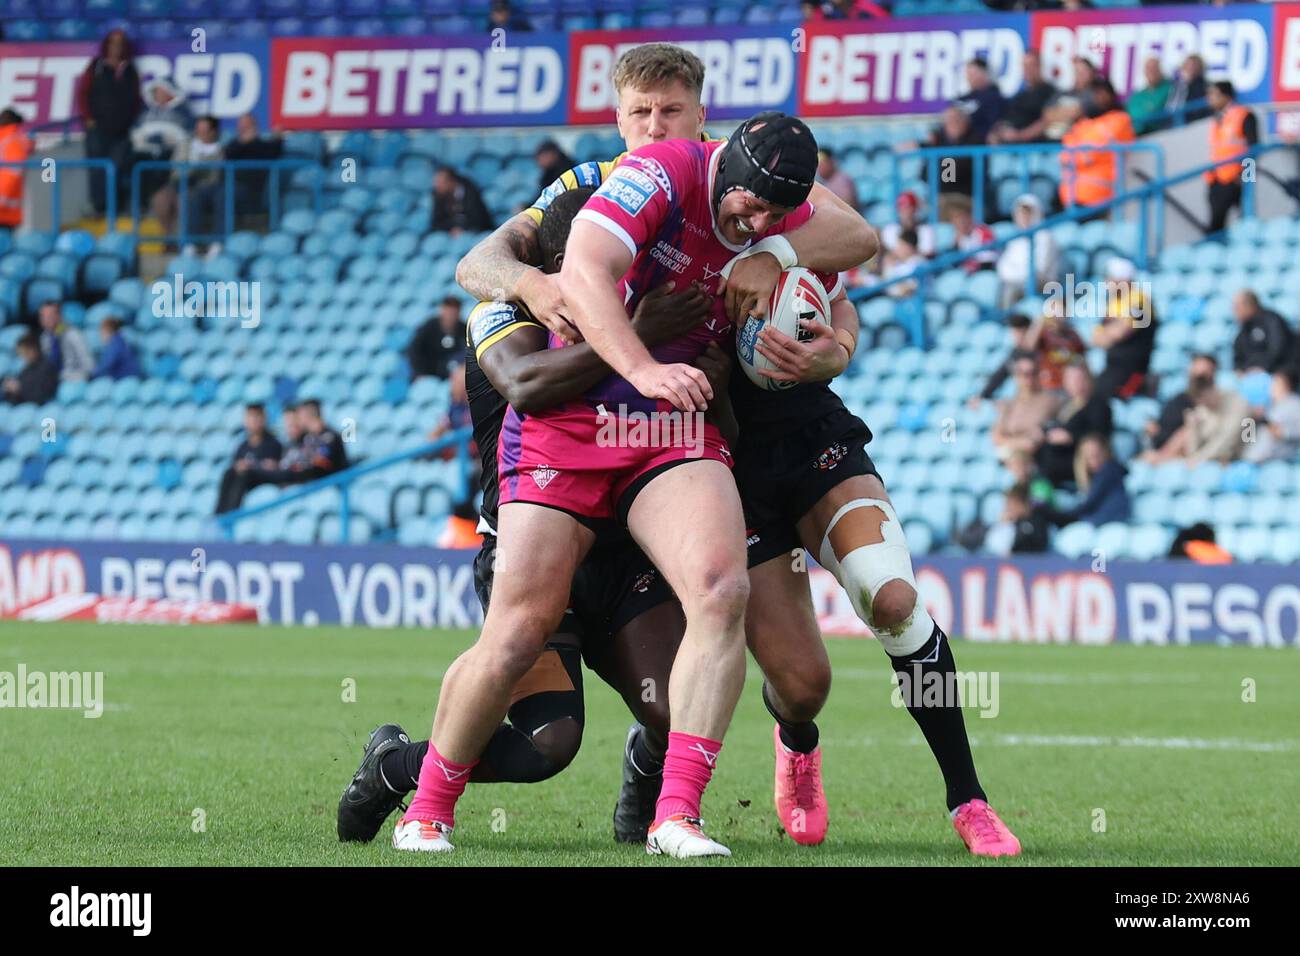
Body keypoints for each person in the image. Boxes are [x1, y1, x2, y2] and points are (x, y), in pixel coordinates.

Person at [455, 45, 1018, 858]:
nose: (655, 125)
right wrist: (535, 287)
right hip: (695, 456)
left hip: (789, 433)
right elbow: (481, 260)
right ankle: (774, 748)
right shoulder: (588, 192)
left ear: (700, 116)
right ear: (617, 117)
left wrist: (824, 336)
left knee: (890, 600)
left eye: (671, 111)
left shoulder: (752, 180)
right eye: (640, 112)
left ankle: (967, 800)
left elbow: (845, 269)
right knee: (799, 683)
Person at [339, 185, 716, 846]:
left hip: (622, 555)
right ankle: (395, 768)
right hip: (531, 541)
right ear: (555, 265)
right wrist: (634, 337)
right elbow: (528, 383)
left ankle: (644, 777)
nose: (611, 280)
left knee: (674, 708)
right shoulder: (500, 312)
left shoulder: (644, 310)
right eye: (594, 267)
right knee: (550, 745)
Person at [76, 29, 142, 216]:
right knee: (97, 168)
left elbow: (136, 98)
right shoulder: (96, 66)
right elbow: (82, 93)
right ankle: (98, 206)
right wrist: (88, 118)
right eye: (113, 43)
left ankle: (116, 206)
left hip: (122, 130)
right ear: (107, 45)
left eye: (120, 43)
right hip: (98, 128)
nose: (116, 47)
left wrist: (132, 120)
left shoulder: (130, 69)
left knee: (118, 167)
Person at [1059, 78, 1135, 213]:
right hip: (1070, 198)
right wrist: (1077, 157)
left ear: (1110, 94)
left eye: (1101, 93)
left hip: (1101, 197)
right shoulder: (1083, 124)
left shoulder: (1120, 119)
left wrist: (1077, 158)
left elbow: (1090, 153)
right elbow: (1065, 155)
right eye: (1094, 93)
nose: (1097, 97)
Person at [1036, 363, 1112, 485]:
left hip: (1079, 459)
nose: (1076, 383)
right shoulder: (1067, 405)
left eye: (1079, 378)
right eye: (1071, 379)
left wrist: (1070, 436)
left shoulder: (1098, 405)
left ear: (1088, 379)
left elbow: (1099, 434)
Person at [1092, 257, 1157, 401]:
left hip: (1133, 371)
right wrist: (1113, 330)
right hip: (1113, 368)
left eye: (1110, 277)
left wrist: (1109, 332)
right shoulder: (1114, 304)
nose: (1106, 281)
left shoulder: (1140, 300)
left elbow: (1121, 333)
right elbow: (1096, 339)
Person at [1204, 81, 1258, 235]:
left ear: (1226, 96)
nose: (1209, 98)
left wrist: (1247, 177)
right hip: (1216, 179)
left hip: (1237, 179)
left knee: (1245, 219)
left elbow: (1254, 148)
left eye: (1213, 94)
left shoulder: (1244, 115)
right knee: (1216, 223)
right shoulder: (1217, 119)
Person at [993, 351, 1062, 462]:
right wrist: (1021, 442)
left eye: (1032, 372)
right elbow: (997, 438)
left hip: (1040, 462)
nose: (1027, 378)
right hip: (1013, 464)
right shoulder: (1009, 404)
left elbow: (1037, 438)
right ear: (1016, 376)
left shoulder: (1050, 400)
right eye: (1022, 373)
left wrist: (1013, 441)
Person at [214, 403, 284, 514]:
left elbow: (272, 467)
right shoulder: (242, 446)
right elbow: (236, 465)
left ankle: (232, 513)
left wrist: (252, 465)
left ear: (264, 419)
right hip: (245, 479)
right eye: (251, 417)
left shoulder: (273, 444)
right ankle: (219, 514)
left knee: (245, 474)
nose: (254, 421)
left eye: (257, 416)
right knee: (229, 473)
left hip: (261, 479)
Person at [1047, 434, 1130, 525]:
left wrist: (1059, 516)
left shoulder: (1109, 470)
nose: (1094, 460)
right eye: (1089, 457)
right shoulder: (1097, 476)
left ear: (1106, 451)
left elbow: (1089, 504)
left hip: (1111, 523)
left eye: (1097, 454)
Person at [172, 115, 225, 254]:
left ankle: (212, 243)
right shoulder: (186, 146)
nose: (199, 135)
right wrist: (193, 169)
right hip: (183, 184)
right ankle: (185, 244)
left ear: (213, 132)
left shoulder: (221, 149)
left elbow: (215, 177)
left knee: (219, 196)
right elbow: (177, 172)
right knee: (168, 199)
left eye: (204, 131)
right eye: (198, 131)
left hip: (210, 188)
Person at [1144, 353, 1218, 453]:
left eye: (1201, 375)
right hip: (1161, 444)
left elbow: (1188, 434)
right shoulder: (1179, 398)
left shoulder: (1211, 403)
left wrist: (1163, 455)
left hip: (1180, 452)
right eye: (1194, 372)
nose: (1197, 378)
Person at [996, 193, 1060, 308]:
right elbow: (1003, 267)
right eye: (1020, 214)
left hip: (1043, 285)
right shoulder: (1015, 240)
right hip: (1017, 282)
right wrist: (1018, 277)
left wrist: (1017, 276)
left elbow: (1040, 269)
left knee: (1011, 290)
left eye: (1027, 214)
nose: (1023, 218)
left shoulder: (1045, 237)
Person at [224, 113, 283, 224]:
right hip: (228, 184)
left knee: (223, 195)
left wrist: (278, 138)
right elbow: (228, 155)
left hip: (249, 189)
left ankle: (219, 238)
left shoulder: (263, 146)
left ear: (254, 126)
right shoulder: (234, 145)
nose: (243, 128)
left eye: (247, 125)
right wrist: (243, 142)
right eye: (241, 125)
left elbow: (275, 152)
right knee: (199, 194)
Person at [987, 50, 1054, 145]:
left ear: (1039, 66)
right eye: (1025, 66)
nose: (1028, 70)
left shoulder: (1049, 92)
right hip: (1009, 148)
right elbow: (1006, 119)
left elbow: (1048, 120)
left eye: (1031, 65)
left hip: (1034, 149)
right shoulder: (1020, 96)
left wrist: (1020, 135)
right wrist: (995, 133)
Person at [1243, 367, 1300, 463]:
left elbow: (1284, 432)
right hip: (1254, 459)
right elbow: (1247, 436)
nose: (1271, 386)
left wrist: (1281, 431)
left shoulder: (1295, 404)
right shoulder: (1269, 405)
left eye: (1275, 383)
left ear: (1286, 385)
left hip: (1278, 460)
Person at [1230, 289, 1293, 375]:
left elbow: (1279, 349)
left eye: (1237, 307)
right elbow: (1238, 356)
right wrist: (1240, 370)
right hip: (1250, 375)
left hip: (1275, 372)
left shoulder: (1271, 320)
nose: (1234, 312)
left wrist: (1263, 367)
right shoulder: (1244, 329)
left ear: (1249, 305)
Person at [406, 296, 467, 381]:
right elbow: (414, 349)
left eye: (454, 313)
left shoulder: (464, 329)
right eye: (448, 312)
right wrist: (419, 373)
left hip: (453, 374)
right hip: (428, 373)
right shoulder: (429, 326)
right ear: (442, 310)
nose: (450, 316)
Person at [983, 483, 1050, 555]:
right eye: (1008, 504)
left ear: (1023, 504)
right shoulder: (1004, 525)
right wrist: (1003, 525)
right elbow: (991, 547)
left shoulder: (1036, 522)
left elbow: (1036, 546)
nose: (1009, 508)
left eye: (1013, 504)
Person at [37, 300, 94, 382]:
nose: (46, 320)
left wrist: (76, 376)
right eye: (43, 316)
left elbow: (89, 365)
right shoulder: (44, 338)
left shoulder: (73, 334)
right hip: (53, 380)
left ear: (59, 316)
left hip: (74, 379)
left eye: (50, 316)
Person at [954, 58, 1004, 142]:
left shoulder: (993, 98)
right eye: (968, 74)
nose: (969, 77)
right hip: (954, 142)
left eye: (973, 74)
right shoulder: (960, 99)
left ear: (985, 74)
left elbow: (995, 124)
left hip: (978, 142)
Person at [431, 165, 493, 234]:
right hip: (451, 233)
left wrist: (463, 228)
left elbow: (479, 219)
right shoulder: (438, 195)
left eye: (440, 182)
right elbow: (436, 223)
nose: (436, 186)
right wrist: (452, 228)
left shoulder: (471, 193)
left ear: (451, 182)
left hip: (474, 232)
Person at [879, 190, 937, 260]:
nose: (906, 213)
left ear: (915, 210)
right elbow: (890, 254)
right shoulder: (890, 230)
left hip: (918, 267)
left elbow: (928, 255)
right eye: (902, 209)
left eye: (909, 208)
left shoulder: (926, 230)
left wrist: (907, 251)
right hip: (896, 267)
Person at [2, 334, 58, 405]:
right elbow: (16, 397)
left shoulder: (47, 368)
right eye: (21, 353)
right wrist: (10, 390)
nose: (23, 357)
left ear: (33, 349)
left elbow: (40, 397)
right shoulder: (26, 370)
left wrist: (19, 390)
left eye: (25, 352)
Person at [0, 108, 32, 228]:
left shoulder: (10, 140)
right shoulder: (14, 139)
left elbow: (12, 174)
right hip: (8, 211)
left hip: (4, 211)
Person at [1127, 56, 1172, 135]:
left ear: (1161, 70)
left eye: (1154, 68)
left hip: (1158, 133)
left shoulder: (1171, 88)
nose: (1152, 71)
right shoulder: (1137, 96)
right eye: (1148, 68)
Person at [950, 200, 997, 273]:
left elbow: (988, 262)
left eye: (962, 218)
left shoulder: (984, 232)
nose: (960, 222)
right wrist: (956, 247)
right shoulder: (957, 237)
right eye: (956, 219)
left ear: (970, 217)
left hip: (983, 273)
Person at [1165, 53, 1209, 123]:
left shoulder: (1204, 86)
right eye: (1188, 65)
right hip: (1172, 122)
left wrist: (1188, 84)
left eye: (1194, 66)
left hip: (1192, 122)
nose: (1190, 68)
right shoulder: (1176, 84)